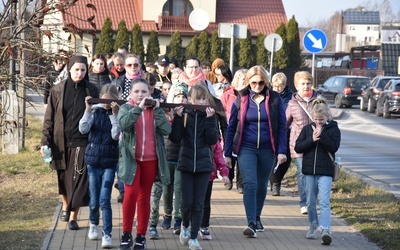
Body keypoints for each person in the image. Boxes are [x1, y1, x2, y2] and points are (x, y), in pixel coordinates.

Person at [224, 65, 287, 238]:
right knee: (250, 183)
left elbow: (282, 126)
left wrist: (282, 151)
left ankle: (257, 216)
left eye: (260, 83)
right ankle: (251, 222)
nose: (257, 86)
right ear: (248, 82)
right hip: (246, 148)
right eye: (253, 83)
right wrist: (227, 153)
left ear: (266, 82)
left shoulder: (274, 98)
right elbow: (231, 127)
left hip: (268, 148)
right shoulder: (241, 97)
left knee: (261, 185)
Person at [40, 55, 99, 230]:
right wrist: (45, 141)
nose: (79, 73)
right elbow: (49, 117)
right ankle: (66, 205)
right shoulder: (57, 90)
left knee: (79, 179)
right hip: (60, 141)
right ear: (69, 69)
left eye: (82, 70)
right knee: (63, 179)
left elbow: (96, 116)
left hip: (82, 141)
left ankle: (73, 215)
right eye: (76, 70)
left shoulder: (91, 90)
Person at [117, 78, 171, 250]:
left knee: (144, 198)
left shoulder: (155, 110)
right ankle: (126, 234)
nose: (140, 95)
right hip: (131, 160)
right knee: (130, 195)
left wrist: (157, 110)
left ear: (149, 93)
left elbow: (166, 130)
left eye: (144, 92)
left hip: (151, 160)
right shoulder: (126, 108)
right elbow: (124, 124)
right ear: (131, 93)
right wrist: (138, 109)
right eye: (137, 92)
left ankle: (141, 236)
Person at [169, 84, 219, 250]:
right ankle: (184, 225)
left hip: (204, 165)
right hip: (186, 164)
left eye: (204, 98)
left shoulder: (210, 116)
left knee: (199, 204)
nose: (202, 101)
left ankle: (193, 236)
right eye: (198, 98)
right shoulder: (185, 115)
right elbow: (175, 138)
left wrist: (211, 120)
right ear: (190, 100)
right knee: (187, 202)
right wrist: (177, 118)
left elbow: (212, 140)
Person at [294, 97, 341, 246]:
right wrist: (312, 139)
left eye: (321, 119)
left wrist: (322, 136)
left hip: (325, 171)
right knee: (310, 202)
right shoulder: (308, 129)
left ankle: (326, 230)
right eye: (315, 119)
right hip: (309, 171)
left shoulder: (334, 129)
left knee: (325, 201)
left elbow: (334, 147)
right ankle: (313, 225)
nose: (318, 122)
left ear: (327, 117)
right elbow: (298, 147)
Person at [79, 84, 120, 248]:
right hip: (93, 162)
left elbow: (116, 135)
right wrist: (88, 110)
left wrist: (114, 115)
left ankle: (107, 234)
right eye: (104, 100)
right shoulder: (94, 111)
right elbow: (83, 129)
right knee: (94, 199)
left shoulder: (117, 114)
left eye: (110, 101)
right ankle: (93, 223)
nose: (106, 104)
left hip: (110, 162)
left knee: (105, 200)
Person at [148, 82, 187, 239]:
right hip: (165, 158)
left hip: (181, 157)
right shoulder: (163, 113)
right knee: (166, 189)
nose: (181, 99)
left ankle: (178, 218)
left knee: (178, 188)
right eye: (178, 96)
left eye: (184, 96)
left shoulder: (189, 115)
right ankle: (167, 214)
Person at [286, 71, 320, 215]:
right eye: (303, 84)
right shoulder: (292, 103)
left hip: (316, 143)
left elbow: (328, 117)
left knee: (314, 173)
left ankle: (313, 200)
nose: (306, 86)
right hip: (298, 144)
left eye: (308, 83)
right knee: (302, 173)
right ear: (296, 85)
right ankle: (304, 203)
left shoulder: (319, 100)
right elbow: (284, 124)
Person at [220, 68, 248, 194]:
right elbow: (221, 110)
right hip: (230, 128)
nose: (246, 82)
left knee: (242, 158)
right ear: (237, 80)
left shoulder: (250, 95)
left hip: (245, 129)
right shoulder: (228, 94)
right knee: (230, 155)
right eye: (244, 79)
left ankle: (240, 184)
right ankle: (229, 177)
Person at [199, 141, 230, 240]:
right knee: (190, 202)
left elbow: (218, 155)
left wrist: (224, 173)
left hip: (208, 172)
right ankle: (187, 225)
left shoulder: (212, 134)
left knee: (205, 202)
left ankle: (204, 226)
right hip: (190, 172)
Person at [269, 72, 293, 196]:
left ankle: (277, 180)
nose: (278, 88)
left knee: (286, 159)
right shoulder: (269, 95)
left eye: (280, 86)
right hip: (271, 131)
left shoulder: (290, 97)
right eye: (275, 86)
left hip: (286, 131)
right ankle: (275, 184)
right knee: (273, 158)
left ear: (284, 85)